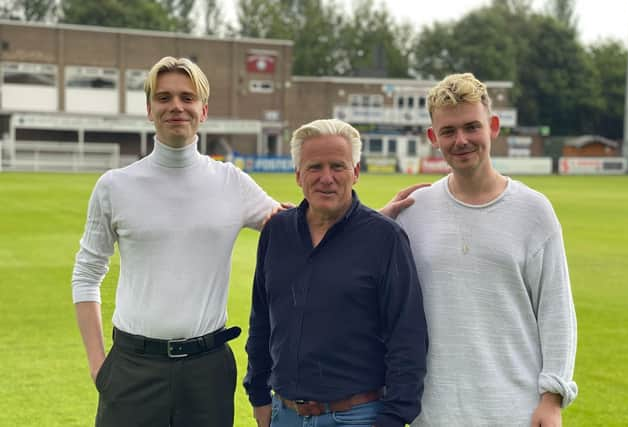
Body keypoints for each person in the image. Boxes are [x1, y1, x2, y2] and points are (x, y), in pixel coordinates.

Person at [71, 56, 281, 426]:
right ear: (149, 109)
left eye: (187, 97)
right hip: (131, 369)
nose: (176, 107)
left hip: (207, 371)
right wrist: (98, 366)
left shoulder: (231, 182)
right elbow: (87, 275)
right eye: (164, 97)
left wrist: (373, 220)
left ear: (204, 109)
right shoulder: (115, 186)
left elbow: (298, 224)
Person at [395, 73, 578, 426]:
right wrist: (381, 221)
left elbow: (556, 310)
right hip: (433, 413)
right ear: (433, 138)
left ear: (493, 126)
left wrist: (552, 398)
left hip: (515, 410)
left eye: (471, 127)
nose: (461, 140)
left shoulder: (534, 211)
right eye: (448, 131)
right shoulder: (414, 211)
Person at [243, 119, 428, 427]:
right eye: (315, 167)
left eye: (337, 166)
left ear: (355, 172)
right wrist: (259, 396)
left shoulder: (385, 238)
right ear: (298, 175)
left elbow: (407, 337)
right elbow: (261, 320)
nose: (326, 178)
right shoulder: (277, 231)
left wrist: (394, 417)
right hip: (284, 415)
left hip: (357, 417)